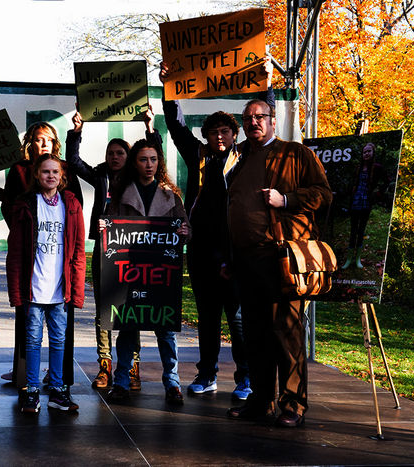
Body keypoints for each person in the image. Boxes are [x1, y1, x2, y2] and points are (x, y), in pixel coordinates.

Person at [157, 59, 275, 398]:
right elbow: (176, 125)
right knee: (207, 318)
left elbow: (266, 121)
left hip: (236, 249)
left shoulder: (247, 156)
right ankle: (206, 375)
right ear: (206, 136)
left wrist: (266, 84)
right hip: (200, 249)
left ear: (234, 135)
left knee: (237, 319)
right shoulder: (198, 156)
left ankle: (246, 378)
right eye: (213, 132)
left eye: (225, 131)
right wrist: (169, 87)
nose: (219, 137)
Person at [224, 99, 332, 427]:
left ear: (273, 120)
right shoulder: (238, 157)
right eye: (247, 118)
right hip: (246, 260)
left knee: (286, 332)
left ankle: (293, 405)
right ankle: (260, 401)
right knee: (254, 336)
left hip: (282, 259)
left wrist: (287, 200)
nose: (253, 122)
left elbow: (324, 195)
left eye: (260, 117)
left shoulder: (296, 154)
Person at [0, 122, 83, 389]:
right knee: (29, 326)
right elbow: (11, 203)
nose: (43, 143)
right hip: (32, 254)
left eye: (48, 139)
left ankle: (60, 381)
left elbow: (74, 206)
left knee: (60, 330)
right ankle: (25, 378)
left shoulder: (64, 169)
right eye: (38, 139)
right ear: (29, 143)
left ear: (55, 143)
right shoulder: (19, 170)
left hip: (59, 256)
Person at [65, 107, 162, 391]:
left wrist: (150, 127)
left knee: (131, 308)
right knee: (104, 308)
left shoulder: (137, 177)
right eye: (111, 153)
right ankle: (104, 365)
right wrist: (77, 131)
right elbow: (72, 161)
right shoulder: (100, 175)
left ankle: (132, 366)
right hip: (105, 247)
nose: (115, 157)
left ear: (128, 157)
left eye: (120, 153)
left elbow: (155, 156)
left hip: (133, 249)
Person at [99, 138, 191, 405]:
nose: (149, 165)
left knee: (165, 331)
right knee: (128, 328)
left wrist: (185, 233)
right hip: (130, 272)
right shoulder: (120, 192)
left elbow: (185, 228)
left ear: (159, 163)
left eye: (153, 159)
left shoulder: (171, 195)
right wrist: (104, 228)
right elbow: (109, 224)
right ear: (134, 163)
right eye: (143, 159)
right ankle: (121, 382)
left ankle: (172, 383)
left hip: (160, 275)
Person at [6, 154, 86, 413]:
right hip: (34, 288)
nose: (50, 176)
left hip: (60, 289)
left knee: (59, 339)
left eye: (55, 172)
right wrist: (16, 292)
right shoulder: (27, 204)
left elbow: (79, 251)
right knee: (31, 340)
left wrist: (77, 290)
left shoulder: (71, 204)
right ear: (37, 176)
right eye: (45, 172)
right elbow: (16, 251)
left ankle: (57, 390)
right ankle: (30, 390)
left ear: (62, 176)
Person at [341, 142, 389, 269]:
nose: (366, 154)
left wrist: (378, 194)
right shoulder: (358, 167)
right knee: (353, 230)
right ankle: (349, 259)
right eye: (364, 152)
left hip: (367, 200)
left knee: (361, 230)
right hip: (356, 200)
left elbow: (387, 181)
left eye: (369, 151)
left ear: (373, 153)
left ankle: (358, 259)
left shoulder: (378, 167)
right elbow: (353, 184)